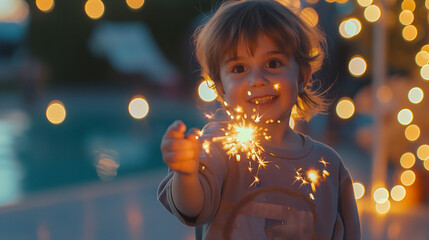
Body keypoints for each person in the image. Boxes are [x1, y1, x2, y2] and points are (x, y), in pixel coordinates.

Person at [158, 0, 361, 239]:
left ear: (303, 75)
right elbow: (192, 209)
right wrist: (186, 173)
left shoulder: (331, 166)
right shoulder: (218, 147)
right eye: (239, 68)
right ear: (221, 88)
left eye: (273, 63)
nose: (257, 79)